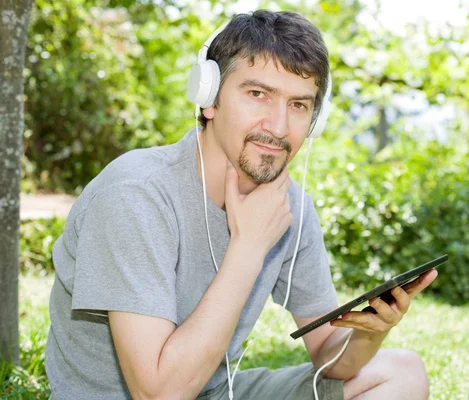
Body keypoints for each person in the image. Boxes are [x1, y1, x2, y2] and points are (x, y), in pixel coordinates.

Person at [45, 9, 437, 400]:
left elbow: (327, 355)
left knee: (399, 372)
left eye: (299, 105)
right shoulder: (136, 193)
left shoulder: (291, 207)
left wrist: (369, 332)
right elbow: (158, 393)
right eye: (257, 94)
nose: (279, 127)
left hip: (213, 394)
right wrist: (248, 245)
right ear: (209, 97)